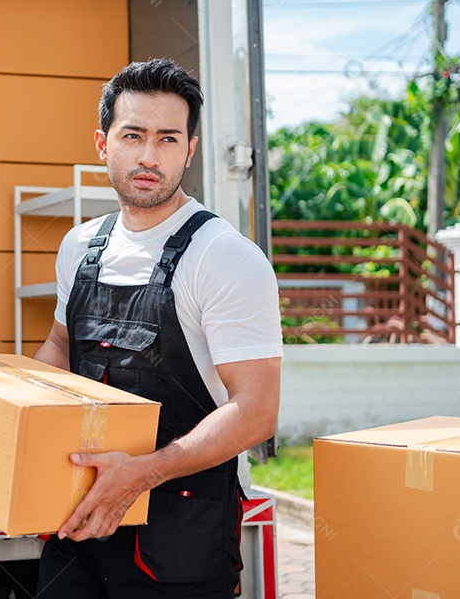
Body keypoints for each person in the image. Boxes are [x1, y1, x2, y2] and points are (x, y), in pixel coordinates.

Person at [32, 59, 282, 598]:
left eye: (168, 139)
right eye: (133, 136)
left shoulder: (224, 257)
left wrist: (143, 472)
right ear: (102, 144)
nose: (149, 156)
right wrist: (8, 418)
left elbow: (256, 410)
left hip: (179, 538)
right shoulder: (79, 246)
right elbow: (59, 346)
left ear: (189, 150)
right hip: (78, 514)